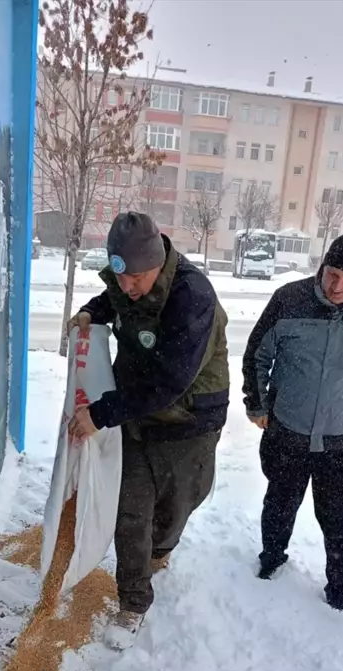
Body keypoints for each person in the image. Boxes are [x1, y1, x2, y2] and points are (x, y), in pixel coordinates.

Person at [68, 212, 229, 647]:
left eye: (137, 278)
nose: (128, 287)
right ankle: (133, 601)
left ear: (159, 261)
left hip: (191, 418)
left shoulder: (193, 298)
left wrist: (100, 414)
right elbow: (113, 300)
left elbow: (170, 382)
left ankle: (162, 548)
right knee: (131, 509)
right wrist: (90, 312)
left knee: (178, 505)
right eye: (122, 277)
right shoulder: (126, 283)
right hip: (137, 413)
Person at [242, 234, 343, 611]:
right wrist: (257, 405)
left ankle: (340, 591)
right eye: (332, 275)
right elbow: (257, 354)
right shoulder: (289, 299)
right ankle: (272, 558)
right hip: (288, 429)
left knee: (339, 517)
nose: (337, 286)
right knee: (280, 501)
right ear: (322, 267)